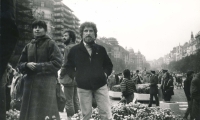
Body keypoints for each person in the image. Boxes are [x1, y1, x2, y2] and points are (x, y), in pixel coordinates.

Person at [63, 22, 113, 120]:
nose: (88, 33)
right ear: (81, 34)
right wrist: (76, 76)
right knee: (86, 115)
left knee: (106, 114)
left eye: (91, 31)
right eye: (85, 31)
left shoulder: (101, 49)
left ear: (95, 34)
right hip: (83, 86)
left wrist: (105, 74)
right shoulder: (75, 50)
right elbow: (68, 67)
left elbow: (108, 65)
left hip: (100, 85)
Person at [18, 20, 62, 120]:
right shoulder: (28, 46)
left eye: (40, 27)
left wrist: (39, 66)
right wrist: (26, 65)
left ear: (45, 30)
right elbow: (19, 64)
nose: (37, 29)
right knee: (30, 111)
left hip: (46, 83)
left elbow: (57, 63)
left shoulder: (51, 44)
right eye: (35, 27)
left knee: (46, 111)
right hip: (30, 84)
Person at [59, 30, 80, 120]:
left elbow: (65, 63)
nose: (63, 37)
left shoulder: (68, 48)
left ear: (70, 37)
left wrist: (61, 74)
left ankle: (70, 118)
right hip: (77, 76)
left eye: (65, 36)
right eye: (63, 35)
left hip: (68, 76)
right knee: (75, 99)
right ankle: (78, 117)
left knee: (68, 100)